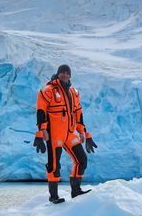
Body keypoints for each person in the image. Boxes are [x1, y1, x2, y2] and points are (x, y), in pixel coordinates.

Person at [33, 64, 97, 204]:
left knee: (82, 160)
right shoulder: (48, 90)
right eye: (62, 72)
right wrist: (41, 131)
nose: (64, 75)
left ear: (70, 75)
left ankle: (76, 191)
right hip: (54, 134)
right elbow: (41, 111)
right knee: (54, 165)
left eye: (67, 73)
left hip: (69, 134)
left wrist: (82, 132)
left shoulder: (74, 92)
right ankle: (53, 196)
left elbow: (78, 113)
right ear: (58, 74)